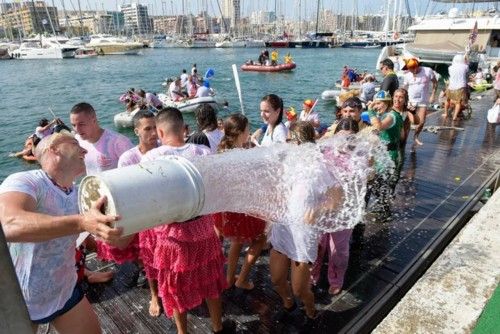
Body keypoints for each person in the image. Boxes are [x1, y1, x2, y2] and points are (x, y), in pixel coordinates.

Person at [0, 131, 123, 333]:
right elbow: (8, 224)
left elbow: (104, 236)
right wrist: (82, 222)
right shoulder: (26, 181)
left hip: (63, 291)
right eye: (75, 143)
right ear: (54, 149)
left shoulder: (79, 195)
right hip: (17, 298)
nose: (84, 149)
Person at [140, 108, 233, 334]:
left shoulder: (151, 158)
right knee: (210, 281)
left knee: (175, 287)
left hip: (171, 233)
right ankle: (217, 327)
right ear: (184, 128)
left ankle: (183, 333)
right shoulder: (201, 151)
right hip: (202, 227)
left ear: (160, 132)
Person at [69, 102, 134, 283]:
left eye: (81, 124)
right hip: (94, 200)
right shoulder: (78, 142)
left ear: (94, 119)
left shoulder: (117, 142)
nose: (77, 129)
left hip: (118, 201)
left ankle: (142, 267)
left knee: (128, 241)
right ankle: (96, 267)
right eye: (73, 125)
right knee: (102, 239)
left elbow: (134, 172)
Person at [269, 121, 319, 325]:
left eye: (292, 140)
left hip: (303, 233)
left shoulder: (318, 168)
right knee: (276, 281)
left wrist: (318, 209)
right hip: (282, 228)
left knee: (300, 289)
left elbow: (336, 197)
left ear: (303, 144)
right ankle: (287, 302)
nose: (289, 143)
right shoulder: (287, 165)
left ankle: (310, 309)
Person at [214, 114, 267, 290]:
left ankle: (229, 279)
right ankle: (242, 278)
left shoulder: (222, 151)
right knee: (259, 240)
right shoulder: (242, 155)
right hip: (243, 207)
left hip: (226, 208)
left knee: (236, 241)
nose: (249, 132)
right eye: (247, 129)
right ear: (241, 132)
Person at [311, 117, 359, 296]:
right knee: (317, 244)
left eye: (349, 138)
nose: (344, 142)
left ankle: (336, 278)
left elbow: (364, 178)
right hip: (323, 208)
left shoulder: (358, 158)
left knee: (338, 250)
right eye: (340, 137)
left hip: (344, 212)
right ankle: (312, 274)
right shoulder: (325, 152)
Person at [366, 90, 403, 213]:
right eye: (375, 104)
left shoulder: (391, 116)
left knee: (382, 184)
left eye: (378, 104)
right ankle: (383, 206)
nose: (376, 106)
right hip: (383, 154)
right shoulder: (387, 115)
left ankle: (385, 212)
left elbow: (378, 126)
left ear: (387, 103)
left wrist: (370, 111)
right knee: (378, 184)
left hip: (390, 155)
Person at [402, 57, 438, 146]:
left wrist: (433, 94)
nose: (413, 71)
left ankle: (415, 137)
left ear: (417, 66)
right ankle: (404, 138)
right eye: (410, 70)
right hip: (411, 101)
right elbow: (404, 88)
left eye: (414, 69)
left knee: (421, 122)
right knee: (410, 122)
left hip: (423, 101)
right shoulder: (407, 75)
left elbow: (435, 82)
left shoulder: (428, 71)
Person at [445, 55, 469, 121]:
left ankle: (446, 114)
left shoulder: (450, 67)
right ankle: (454, 116)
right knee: (458, 102)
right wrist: (466, 57)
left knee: (447, 100)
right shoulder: (465, 67)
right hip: (460, 86)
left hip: (451, 86)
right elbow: (467, 63)